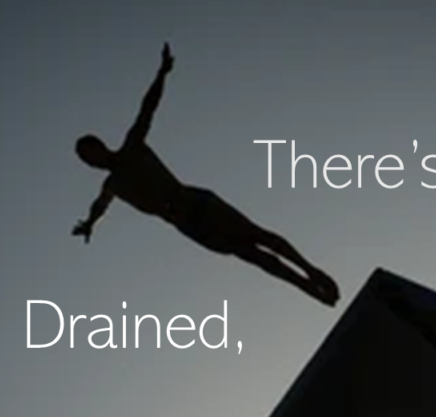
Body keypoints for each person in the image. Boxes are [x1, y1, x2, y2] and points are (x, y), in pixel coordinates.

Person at [72, 43, 340, 307]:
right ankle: (306, 286)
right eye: (85, 161)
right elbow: (99, 205)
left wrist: (162, 73)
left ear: (100, 146)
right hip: (189, 225)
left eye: (89, 154)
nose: (90, 162)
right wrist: (90, 224)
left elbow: (147, 109)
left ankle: (310, 270)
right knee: (250, 255)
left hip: (197, 202)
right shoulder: (113, 185)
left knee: (257, 235)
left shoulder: (132, 148)